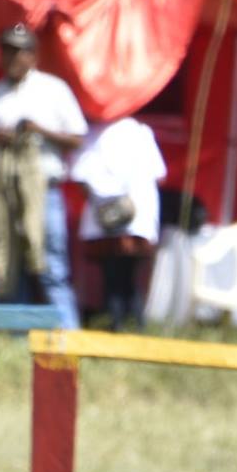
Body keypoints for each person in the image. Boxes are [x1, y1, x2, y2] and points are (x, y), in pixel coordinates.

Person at [0, 22, 88, 328]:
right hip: (2, 189)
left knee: (49, 263)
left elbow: (77, 137)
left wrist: (39, 131)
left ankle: (67, 334)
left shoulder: (53, 89)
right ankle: (16, 332)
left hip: (44, 189)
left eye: (19, 52)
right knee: (5, 263)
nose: (13, 59)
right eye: (7, 52)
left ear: (33, 56)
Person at [70, 115, 166, 328]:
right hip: (134, 214)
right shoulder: (140, 131)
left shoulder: (95, 134)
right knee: (129, 276)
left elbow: (81, 176)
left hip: (109, 213)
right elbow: (159, 174)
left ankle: (119, 324)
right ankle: (134, 325)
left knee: (113, 276)